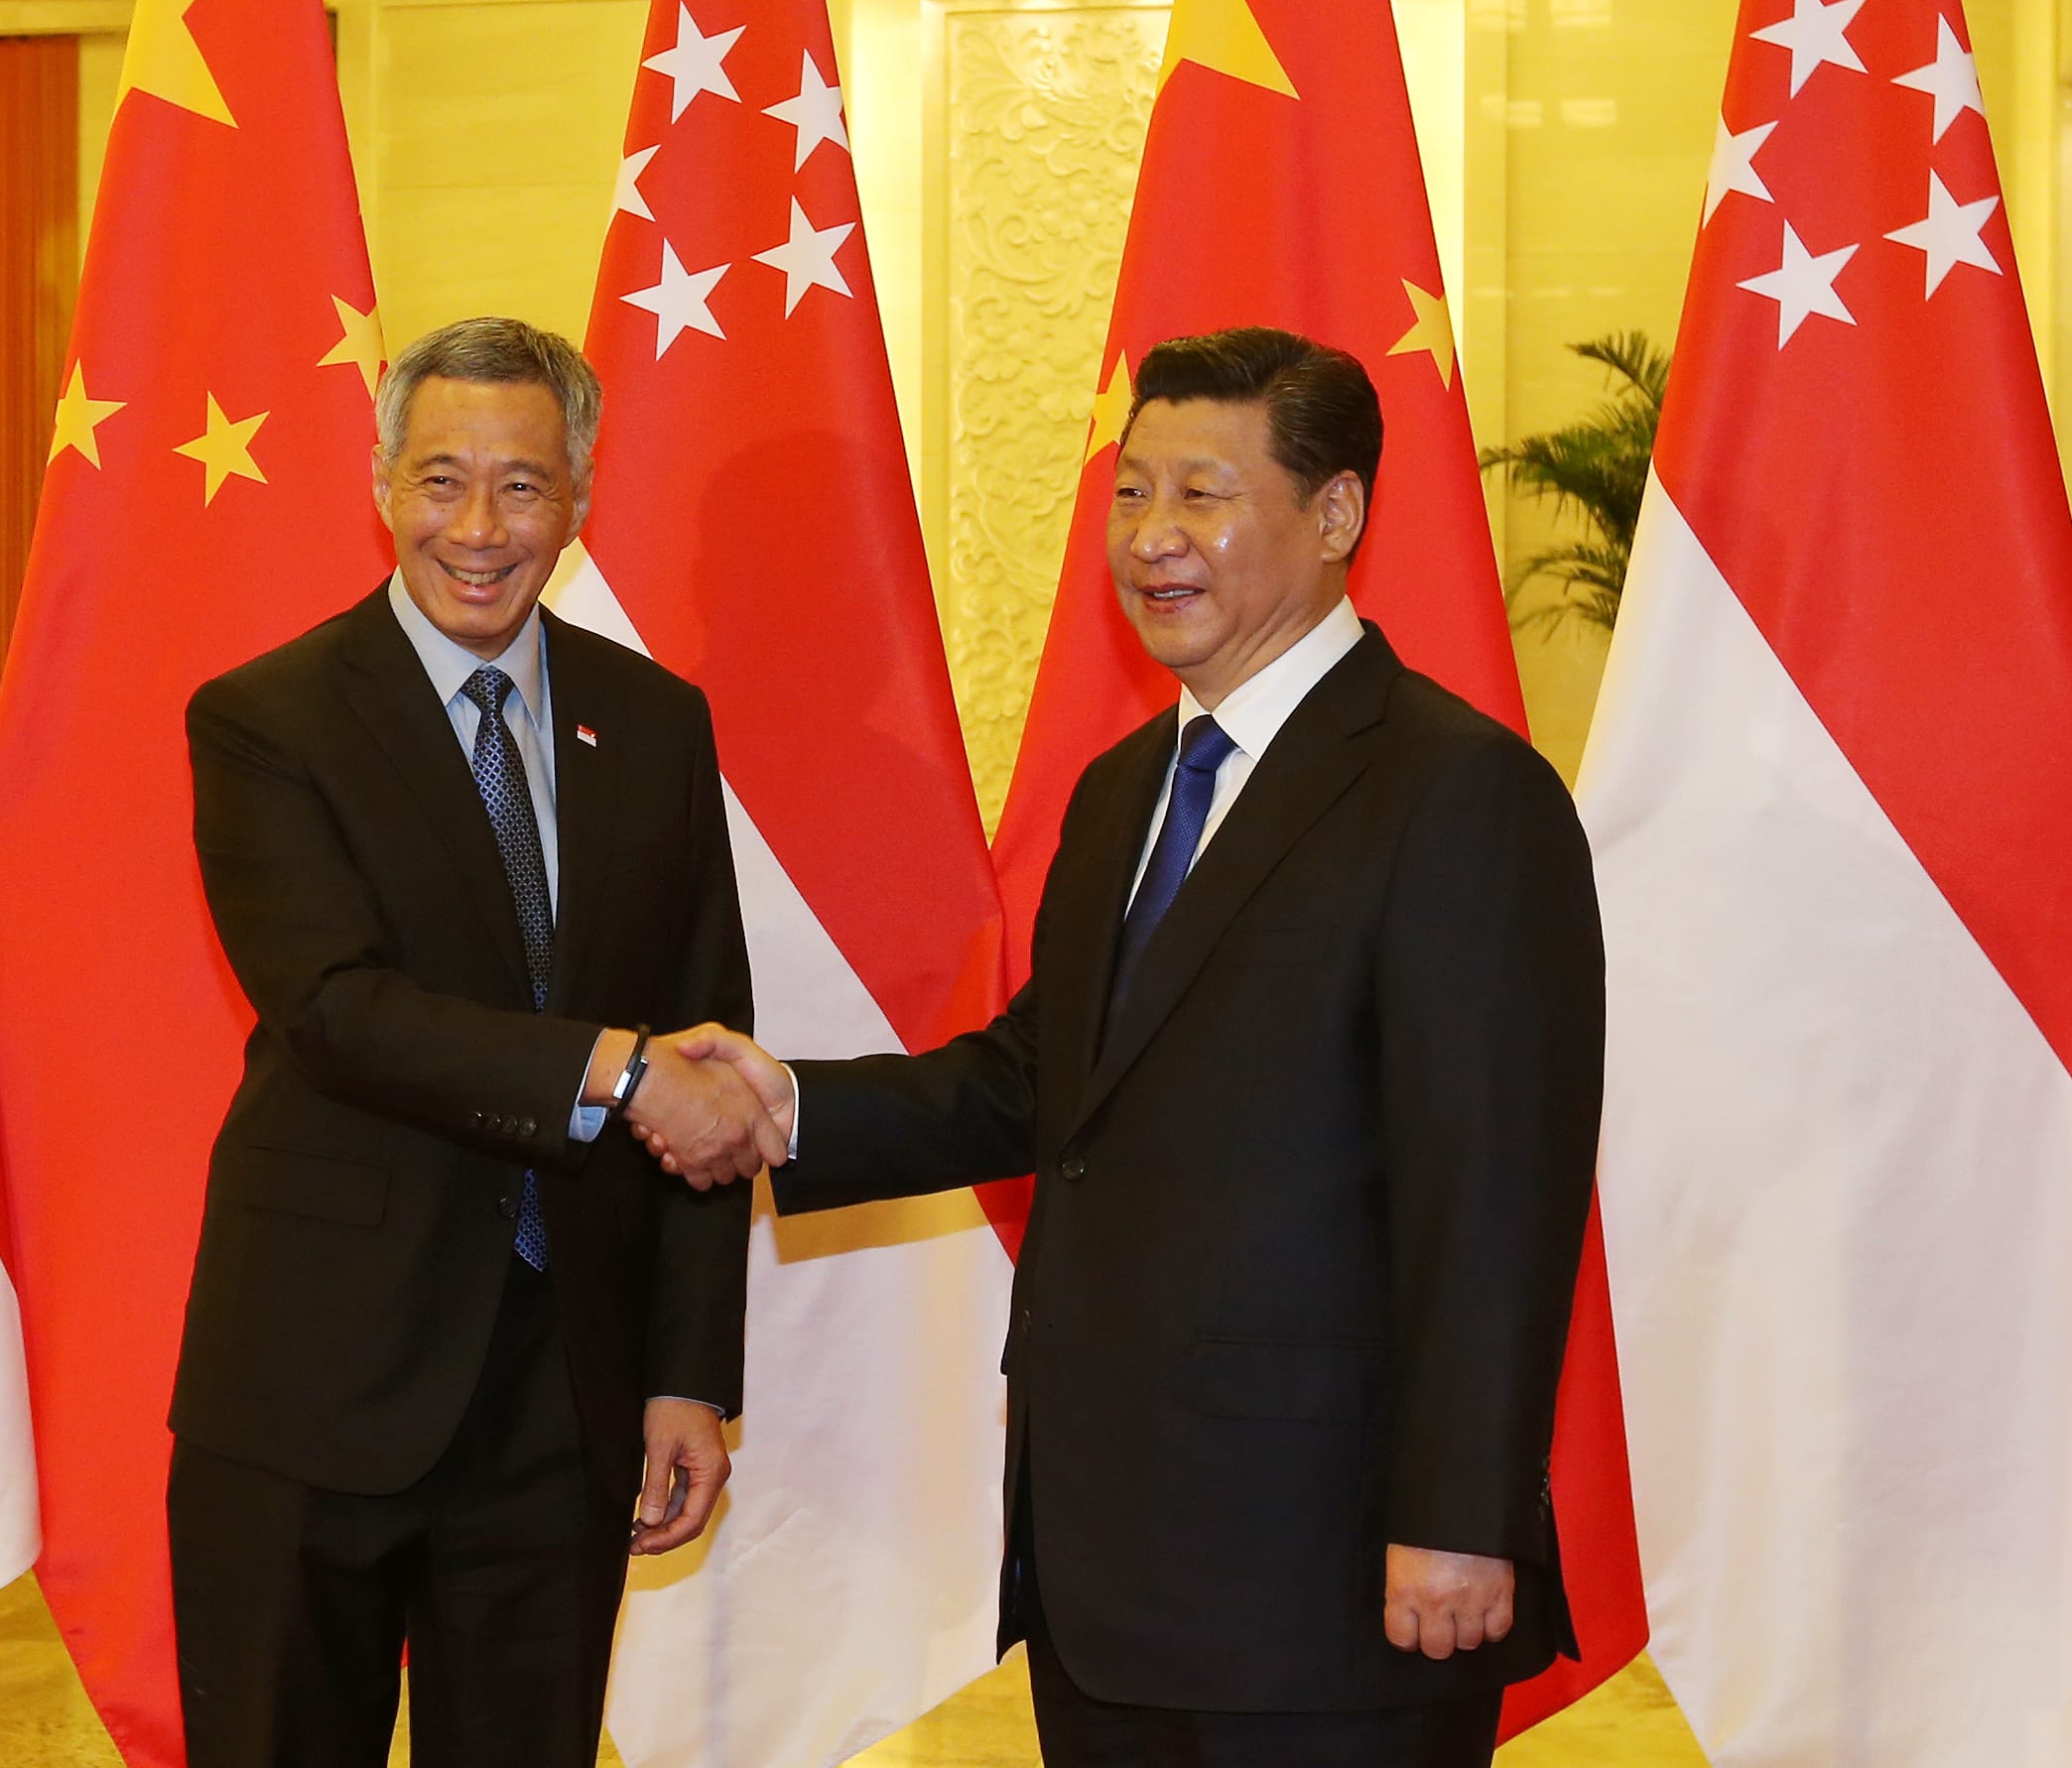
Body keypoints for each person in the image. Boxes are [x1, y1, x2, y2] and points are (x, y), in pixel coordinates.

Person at [640, 327, 1606, 1768]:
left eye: (1203, 495)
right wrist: (789, 1107)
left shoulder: (1458, 794)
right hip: (1107, 1572)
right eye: (1133, 493)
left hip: (1331, 1583)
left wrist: (1459, 1520)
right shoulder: (1125, 792)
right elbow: (1047, 1086)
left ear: (1335, 516)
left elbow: (1495, 1196)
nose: (1154, 540)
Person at [164, 316, 778, 1768]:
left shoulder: (657, 724)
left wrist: (688, 1372)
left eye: (524, 486)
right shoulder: (269, 720)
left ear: (579, 496)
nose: (481, 529)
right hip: (315, 1376)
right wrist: (612, 1069)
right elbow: (337, 1007)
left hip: (561, 1394)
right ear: (380, 484)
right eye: (443, 481)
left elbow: (711, 1044)